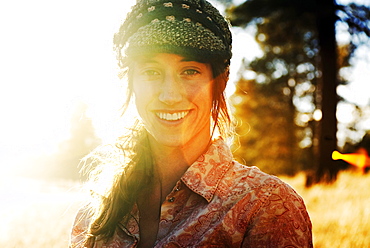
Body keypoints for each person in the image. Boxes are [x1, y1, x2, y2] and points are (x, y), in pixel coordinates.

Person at [69, 0, 313, 247]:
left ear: (220, 81)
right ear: (131, 82)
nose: (170, 96)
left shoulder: (265, 205)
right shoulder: (94, 216)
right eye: (151, 72)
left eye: (190, 71)